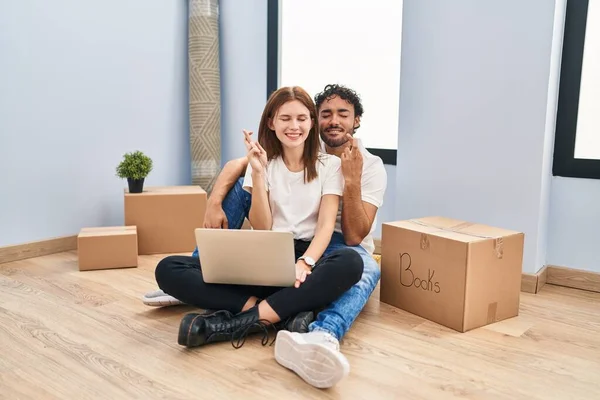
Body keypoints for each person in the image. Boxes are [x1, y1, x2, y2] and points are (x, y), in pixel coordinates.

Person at [144, 84, 387, 389]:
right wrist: (254, 176)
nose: (295, 126)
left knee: (352, 262)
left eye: (302, 118)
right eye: (286, 118)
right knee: (167, 269)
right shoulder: (266, 161)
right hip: (271, 250)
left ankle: (238, 323)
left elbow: (334, 230)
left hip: (315, 253)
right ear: (272, 122)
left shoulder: (336, 165)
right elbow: (262, 226)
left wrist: (307, 262)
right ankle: (284, 314)